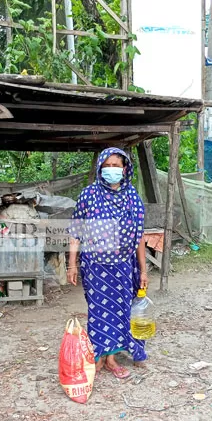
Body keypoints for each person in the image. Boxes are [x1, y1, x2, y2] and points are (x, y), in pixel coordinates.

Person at [67, 147, 149, 380]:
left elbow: (140, 236)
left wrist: (143, 270)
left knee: (121, 309)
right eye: (107, 166)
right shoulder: (89, 195)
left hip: (124, 265)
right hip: (94, 266)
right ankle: (99, 354)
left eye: (116, 166)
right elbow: (76, 231)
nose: (112, 170)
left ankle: (112, 358)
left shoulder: (132, 197)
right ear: (100, 168)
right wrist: (72, 264)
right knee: (98, 310)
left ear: (125, 169)